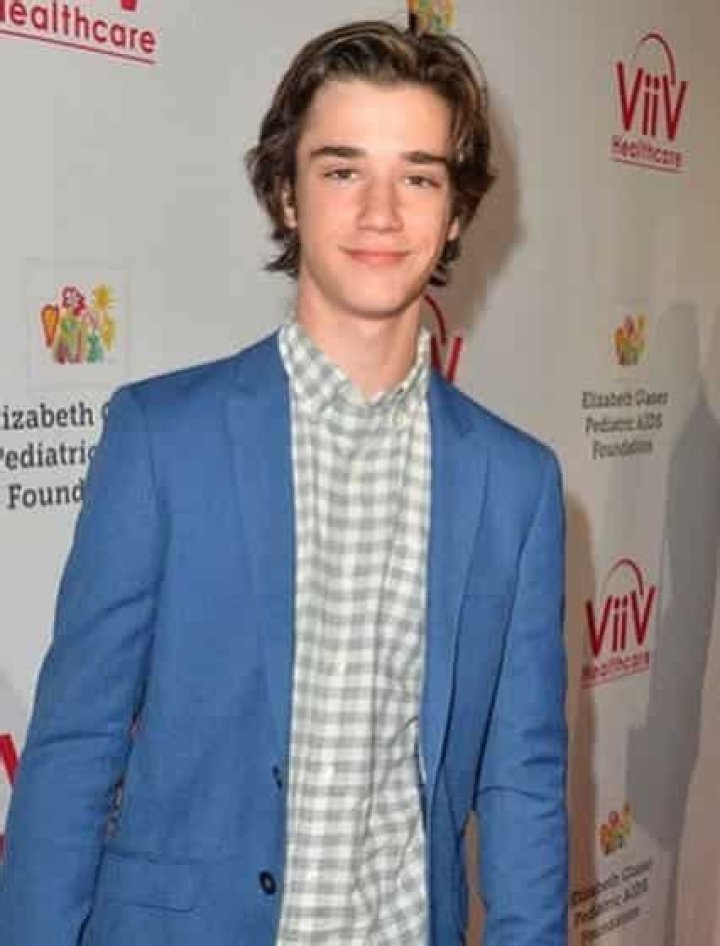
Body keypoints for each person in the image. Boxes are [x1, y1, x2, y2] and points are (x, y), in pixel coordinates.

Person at [0, 19, 567, 946]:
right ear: (286, 193)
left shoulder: (516, 485)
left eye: (418, 177)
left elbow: (523, 780)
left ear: (457, 212)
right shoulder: (162, 440)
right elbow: (73, 750)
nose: (380, 213)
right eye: (342, 171)